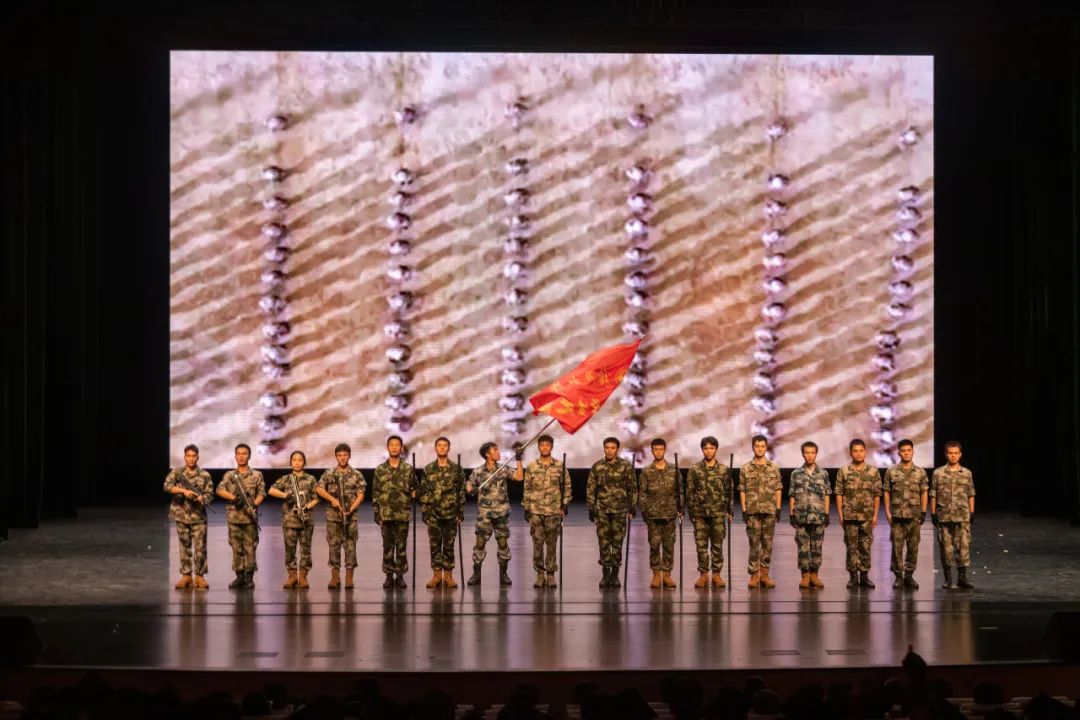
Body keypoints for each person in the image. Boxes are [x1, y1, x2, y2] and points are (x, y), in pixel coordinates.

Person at [466, 442, 522, 586]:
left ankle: (503, 574)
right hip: (484, 515)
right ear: (487, 454)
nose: (498, 452)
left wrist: (518, 460)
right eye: (495, 450)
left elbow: (519, 477)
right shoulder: (478, 471)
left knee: (503, 544)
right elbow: (469, 485)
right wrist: (471, 489)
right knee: (480, 544)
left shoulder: (503, 468)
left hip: (501, 513)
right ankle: (476, 574)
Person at [586, 436, 637, 588]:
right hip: (602, 510)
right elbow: (591, 489)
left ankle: (615, 575)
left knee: (617, 543)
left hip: (620, 510)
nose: (609, 450)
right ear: (604, 448)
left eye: (612, 448)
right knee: (603, 543)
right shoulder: (597, 466)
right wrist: (591, 508)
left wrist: (632, 507)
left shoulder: (626, 466)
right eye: (607, 448)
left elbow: (632, 488)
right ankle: (605, 574)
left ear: (617, 449)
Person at [521, 434, 571, 588]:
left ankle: (550, 574)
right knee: (537, 543)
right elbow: (527, 488)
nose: (544, 447)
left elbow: (567, 486)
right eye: (542, 445)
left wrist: (564, 505)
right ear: (538, 447)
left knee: (551, 543)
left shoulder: (559, 466)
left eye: (547, 445)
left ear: (552, 447)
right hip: (536, 510)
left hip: (553, 510)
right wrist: (526, 507)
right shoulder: (532, 466)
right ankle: (539, 574)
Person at [315, 443, 366, 590]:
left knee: (350, 546)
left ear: (349, 456)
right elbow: (319, 488)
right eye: (339, 455)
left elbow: (361, 495)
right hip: (333, 517)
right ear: (336, 457)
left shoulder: (356, 474)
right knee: (333, 546)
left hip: (350, 517)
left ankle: (349, 578)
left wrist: (350, 509)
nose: (342, 458)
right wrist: (332, 499)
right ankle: (335, 577)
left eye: (345, 455)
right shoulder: (329, 473)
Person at [163, 444, 214, 590]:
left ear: (198, 457)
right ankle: (186, 575)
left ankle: (199, 576)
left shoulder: (204, 475)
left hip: (198, 516)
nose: (191, 459)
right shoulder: (177, 472)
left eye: (194, 456)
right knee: (184, 545)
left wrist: (202, 498)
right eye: (188, 456)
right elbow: (167, 486)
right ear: (184, 457)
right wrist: (183, 491)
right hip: (181, 514)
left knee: (200, 547)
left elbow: (210, 494)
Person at [216, 443, 266, 589]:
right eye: (239, 453)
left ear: (249, 456)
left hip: (250, 518)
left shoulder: (257, 475)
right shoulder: (230, 475)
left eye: (244, 453)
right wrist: (233, 498)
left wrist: (253, 505)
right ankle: (239, 577)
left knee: (250, 548)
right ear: (235, 456)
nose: (241, 456)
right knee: (236, 548)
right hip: (234, 517)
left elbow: (262, 493)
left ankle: (249, 578)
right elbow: (219, 490)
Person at [268, 450, 319, 589]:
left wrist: (307, 507)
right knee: (289, 550)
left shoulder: (310, 479)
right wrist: (285, 496)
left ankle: (303, 576)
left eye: (300, 460)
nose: (297, 462)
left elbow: (316, 498)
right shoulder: (286, 479)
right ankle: (292, 576)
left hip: (306, 521)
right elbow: (271, 490)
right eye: (294, 460)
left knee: (306, 550)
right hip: (290, 521)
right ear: (290, 462)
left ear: (304, 462)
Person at [685, 436, 732, 589]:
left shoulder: (724, 469)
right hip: (700, 514)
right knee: (701, 546)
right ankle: (704, 574)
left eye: (711, 448)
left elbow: (729, 491)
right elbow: (690, 492)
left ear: (716, 449)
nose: (709, 451)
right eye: (706, 448)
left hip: (718, 514)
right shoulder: (695, 469)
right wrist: (692, 512)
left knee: (717, 545)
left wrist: (729, 510)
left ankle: (716, 574)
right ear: (702, 450)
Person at [835, 439, 882, 589]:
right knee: (851, 546)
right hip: (849, 515)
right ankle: (853, 577)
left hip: (867, 516)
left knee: (865, 546)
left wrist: (875, 515)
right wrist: (840, 515)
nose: (858, 453)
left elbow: (877, 495)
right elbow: (839, 493)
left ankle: (864, 576)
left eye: (861, 450)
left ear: (865, 452)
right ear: (850, 453)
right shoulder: (844, 471)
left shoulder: (873, 471)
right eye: (855, 451)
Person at [420, 437, 467, 588]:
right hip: (434, 513)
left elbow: (461, 492)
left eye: (445, 445)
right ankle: (436, 575)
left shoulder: (456, 469)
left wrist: (460, 511)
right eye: (439, 445)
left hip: (451, 513)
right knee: (434, 545)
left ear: (449, 448)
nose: (442, 447)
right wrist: (425, 512)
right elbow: (424, 492)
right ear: (435, 448)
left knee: (449, 545)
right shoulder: (428, 469)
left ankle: (448, 575)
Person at [372, 435, 417, 589]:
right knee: (388, 547)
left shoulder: (408, 469)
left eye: (397, 445)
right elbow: (375, 493)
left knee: (401, 547)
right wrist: (377, 514)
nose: (394, 447)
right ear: (387, 448)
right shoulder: (380, 470)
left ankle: (400, 575)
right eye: (391, 445)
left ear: (401, 448)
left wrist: (415, 492)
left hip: (402, 514)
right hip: (386, 514)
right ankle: (389, 576)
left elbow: (415, 488)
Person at [884, 439, 929, 589]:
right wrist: (887, 512)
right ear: (899, 453)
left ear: (913, 452)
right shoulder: (891, 471)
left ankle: (909, 576)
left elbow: (924, 492)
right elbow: (886, 492)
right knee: (896, 547)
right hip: (897, 516)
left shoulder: (920, 472)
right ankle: (898, 576)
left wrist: (924, 511)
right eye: (903, 451)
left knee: (913, 546)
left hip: (914, 516)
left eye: (909, 450)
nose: (906, 453)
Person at [931, 441, 976, 589]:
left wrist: (972, 512)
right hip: (944, 517)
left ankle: (962, 578)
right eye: (950, 453)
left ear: (960, 454)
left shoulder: (967, 473)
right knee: (946, 549)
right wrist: (933, 513)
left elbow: (971, 493)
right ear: (946, 454)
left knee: (963, 548)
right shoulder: (938, 473)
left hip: (962, 517)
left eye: (956, 453)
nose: (953, 456)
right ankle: (948, 579)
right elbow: (933, 494)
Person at [638, 438, 682, 589]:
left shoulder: (673, 469)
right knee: (654, 545)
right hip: (653, 515)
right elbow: (642, 493)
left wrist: (680, 508)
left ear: (665, 450)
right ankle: (656, 574)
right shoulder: (646, 471)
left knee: (669, 545)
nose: (658, 452)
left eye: (661, 449)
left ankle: (667, 575)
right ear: (652, 451)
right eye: (655, 449)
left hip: (669, 514)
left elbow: (679, 491)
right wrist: (644, 511)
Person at [740, 435, 782, 589]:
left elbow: (778, 488)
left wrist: (778, 508)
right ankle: (754, 575)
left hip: (769, 510)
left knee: (767, 544)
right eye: (757, 446)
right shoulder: (745, 468)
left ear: (766, 447)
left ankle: (764, 574)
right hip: (752, 511)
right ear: (753, 447)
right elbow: (742, 490)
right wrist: (744, 509)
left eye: (762, 446)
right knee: (754, 543)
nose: (760, 449)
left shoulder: (774, 467)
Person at [789, 440, 831, 589]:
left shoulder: (823, 473)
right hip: (801, 517)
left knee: (817, 547)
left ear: (816, 454)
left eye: (812, 452)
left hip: (818, 516)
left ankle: (814, 575)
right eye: (807, 452)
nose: (810, 455)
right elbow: (792, 494)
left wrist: (827, 514)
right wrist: (791, 514)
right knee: (803, 547)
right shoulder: (796, 474)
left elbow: (827, 494)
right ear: (803, 454)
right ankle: (805, 576)